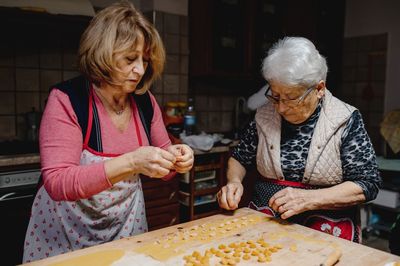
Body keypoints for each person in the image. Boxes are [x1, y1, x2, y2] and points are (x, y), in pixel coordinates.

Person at [23, 1, 194, 263]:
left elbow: (164, 165)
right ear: (104, 52)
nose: (140, 70)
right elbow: (57, 182)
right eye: (129, 59)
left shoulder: (145, 102)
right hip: (64, 233)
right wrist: (133, 161)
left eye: (145, 60)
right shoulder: (69, 100)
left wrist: (177, 159)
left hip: (126, 226)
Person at [217, 36, 381, 243]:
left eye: (291, 98)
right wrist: (233, 182)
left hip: (326, 228)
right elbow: (240, 157)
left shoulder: (345, 118)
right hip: (266, 221)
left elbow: (368, 184)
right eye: (275, 95)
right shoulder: (264, 115)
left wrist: (310, 199)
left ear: (319, 89)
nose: (281, 108)